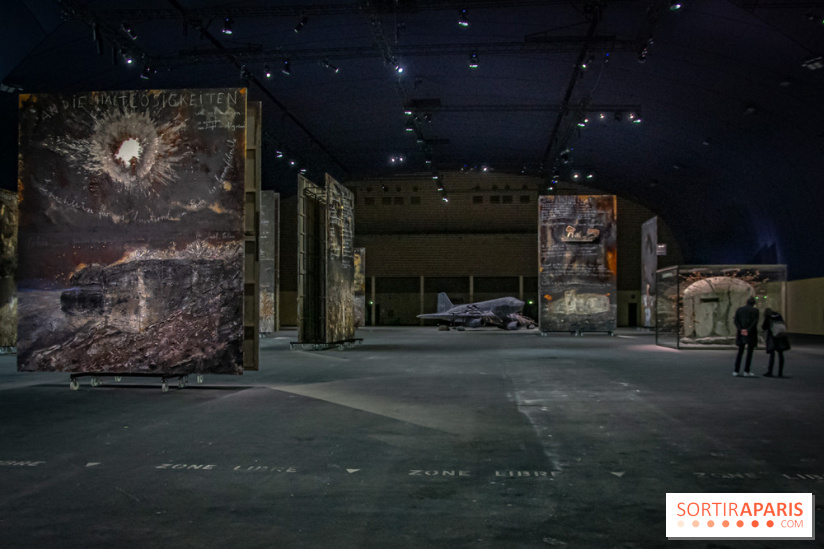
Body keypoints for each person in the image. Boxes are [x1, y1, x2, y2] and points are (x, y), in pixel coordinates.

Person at [733, 296, 759, 377]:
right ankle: (746, 371)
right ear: (754, 303)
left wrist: (741, 329)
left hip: (741, 333)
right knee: (749, 353)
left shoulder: (739, 310)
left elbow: (736, 321)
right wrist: (748, 330)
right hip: (751, 333)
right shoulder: (755, 311)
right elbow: (755, 322)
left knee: (740, 352)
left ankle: (736, 371)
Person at [761, 308, 790, 377]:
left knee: (772, 355)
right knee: (780, 354)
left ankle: (770, 371)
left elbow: (764, 327)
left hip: (772, 337)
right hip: (780, 337)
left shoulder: (768, 317)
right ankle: (780, 372)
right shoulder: (778, 315)